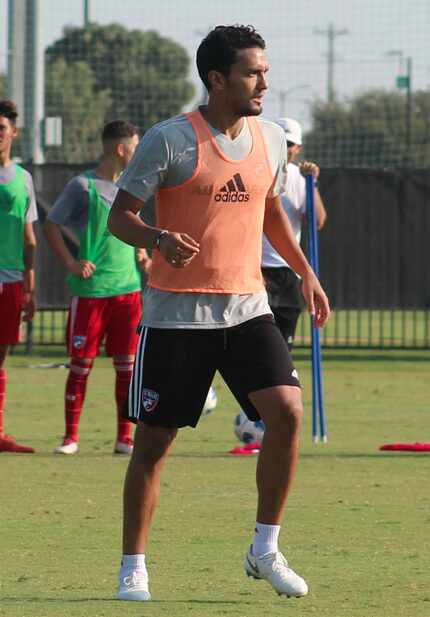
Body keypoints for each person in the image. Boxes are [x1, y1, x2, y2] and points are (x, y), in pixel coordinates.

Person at [108, 25, 330, 602]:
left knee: (285, 411)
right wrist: (156, 237)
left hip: (247, 306)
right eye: (252, 72)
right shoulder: (169, 139)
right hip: (177, 315)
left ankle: (265, 548)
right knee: (154, 444)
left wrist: (305, 273)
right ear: (217, 79)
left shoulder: (272, 139)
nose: (264, 81)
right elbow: (120, 217)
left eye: (265, 70)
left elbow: (270, 210)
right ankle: (134, 565)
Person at [44, 120, 149, 455]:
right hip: (91, 293)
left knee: (127, 367)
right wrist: (72, 263)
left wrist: (142, 250)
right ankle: (70, 438)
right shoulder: (82, 185)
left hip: (128, 290)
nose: (138, 151)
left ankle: (124, 438)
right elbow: (51, 224)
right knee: (80, 366)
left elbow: (133, 225)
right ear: (120, 149)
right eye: (135, 145)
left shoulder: (134, 187)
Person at [262, 117, 327, 350]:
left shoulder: (299, 178)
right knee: (253, 343)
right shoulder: (256, 170)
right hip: (255, 268)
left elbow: (317, 221)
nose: (284, 148)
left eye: (289, 144)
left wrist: (313, 185)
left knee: (283, 346)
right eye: (280, 142)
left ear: (297, 148)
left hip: (288, 270)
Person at [0, 99, 37, 454]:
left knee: (1, 357)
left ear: (14, 133)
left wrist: (30, 287)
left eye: (1, 128)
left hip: (11, 282)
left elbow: (30, 238)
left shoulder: (23, 179)